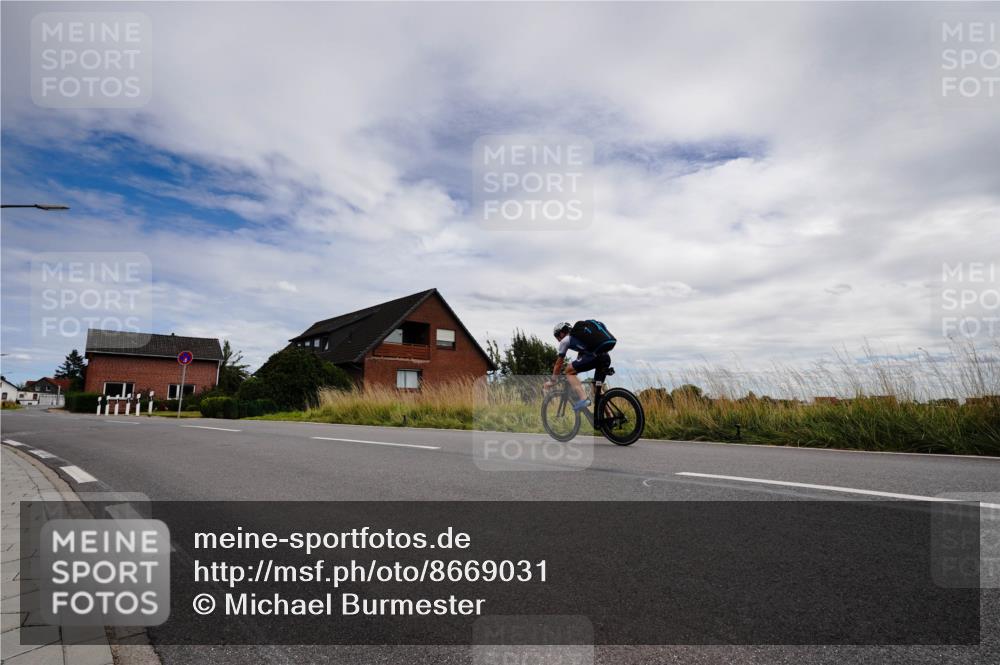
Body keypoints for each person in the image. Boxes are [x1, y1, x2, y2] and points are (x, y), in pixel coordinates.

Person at [545, 321, 614, 412]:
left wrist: (552, 381)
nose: (558, 340)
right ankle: (610, 419)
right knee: (597, 390)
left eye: (557, 336)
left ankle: (584, 399)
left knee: (568, 370)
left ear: (561, 333)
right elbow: (580, 360)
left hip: (595, 357)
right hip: (605, 357)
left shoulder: (565, 340)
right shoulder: (583, 339)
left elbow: (558, 364)